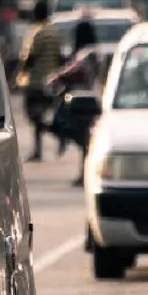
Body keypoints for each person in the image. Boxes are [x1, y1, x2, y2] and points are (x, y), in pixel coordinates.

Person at [50, 18, 104, 185]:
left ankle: (85, 174)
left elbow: (70, 73)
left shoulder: (85, 54)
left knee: (82, 140)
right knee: (86, 142)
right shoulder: (96, 53)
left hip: (80, 104)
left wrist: (57, 77)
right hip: (95, 102)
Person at [16, 0, 64, 161]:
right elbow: (59, 57)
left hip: (35, 82)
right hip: (50, 82)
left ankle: (45, 144)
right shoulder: (53, 32)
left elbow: (30, 58)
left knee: (33, 116)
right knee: (41, 116)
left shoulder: (37, 32)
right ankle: (48, 141)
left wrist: (18, 76)